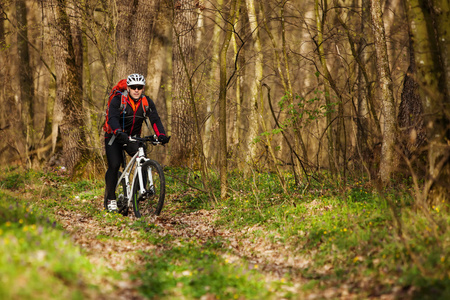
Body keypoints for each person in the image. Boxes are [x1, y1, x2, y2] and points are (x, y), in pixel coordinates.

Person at [104, 73, 169, 212]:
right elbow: (112, 118)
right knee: (114, 164)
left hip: (133, 137)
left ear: (143, 88)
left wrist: (161, 135)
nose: (136, 90)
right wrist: (117, 131)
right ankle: (110, 198)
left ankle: (140, 191)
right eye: (133, 87)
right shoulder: (118, 100)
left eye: (139, 87)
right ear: (128, 88)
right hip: (114, 137)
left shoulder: (146, 102)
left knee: (143, 157)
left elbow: (155, 119)